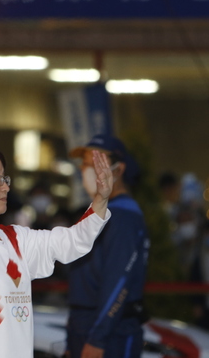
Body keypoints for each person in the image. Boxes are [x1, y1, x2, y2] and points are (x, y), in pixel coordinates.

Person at [0, 145, 112, 357]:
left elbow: (72, 241)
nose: (6, 187)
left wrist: (101, 198)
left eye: (5, 179)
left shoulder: (16, 239)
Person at [66, 134, 149, 358]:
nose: (86, 170)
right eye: (84, 164)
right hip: (85, 328)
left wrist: (97, 338)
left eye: (95, 164)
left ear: (118, 169)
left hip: (109, 336)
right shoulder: (98, 214)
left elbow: (119, 281)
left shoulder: (122, 217)